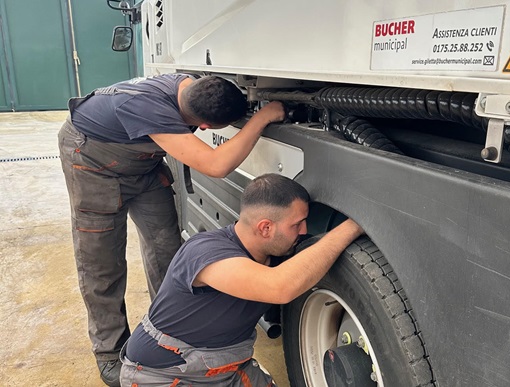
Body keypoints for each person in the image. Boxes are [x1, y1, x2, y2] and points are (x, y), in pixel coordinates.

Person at [58, 74, 285, 387]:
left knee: (167, 249)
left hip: (144, 167)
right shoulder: (149, 108)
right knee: (103, 263)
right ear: (204, 127)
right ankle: (109, 352)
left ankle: (170, 333)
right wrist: (262, 117)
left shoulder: (190, 87)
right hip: (93, 164)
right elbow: (216, 165)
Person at [119, 173, 364, 386]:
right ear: (265, 228)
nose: (303, 231)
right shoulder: (205, 252)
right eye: (297, 224)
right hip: (163, 374)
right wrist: (357, 224)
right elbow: (279, 287)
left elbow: (313, 259)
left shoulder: (276, 252)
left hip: (227, 369)